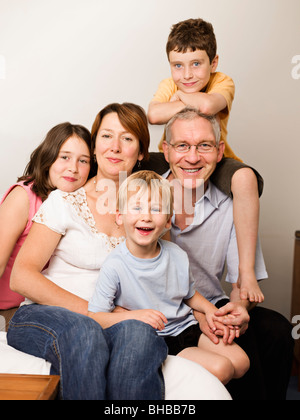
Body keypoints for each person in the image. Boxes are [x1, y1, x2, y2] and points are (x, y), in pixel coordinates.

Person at [7, 103, 168, 400]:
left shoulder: (149, 214)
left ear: (142, 152)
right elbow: (21, 278)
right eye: (107, 136)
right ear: (95, 147)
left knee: (140, 335)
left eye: (128, 138)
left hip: (114, 320)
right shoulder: (64, 201)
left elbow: (161, 275)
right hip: (45, 316)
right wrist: (97, 314)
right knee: (85, 331)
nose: (115, 147)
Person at [160, 107, 294, 399]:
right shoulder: (147, 197)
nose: (193, 157)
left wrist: (239, 312)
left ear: (220, 151)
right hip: (167, 314)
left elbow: (242, 284)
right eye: (182, 145)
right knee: (235, 349)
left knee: (275, 329)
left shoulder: (235, 203)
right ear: (165, 150)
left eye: (204, 146)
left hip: (214, 304)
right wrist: (202, 314)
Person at [88, 170, 250, 385]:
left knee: (241, 363)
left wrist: (210, 311)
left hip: (186, 326)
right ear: (120, 216)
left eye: (156, 209)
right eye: (136, 208)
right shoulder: (115, 265)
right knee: (222, 368)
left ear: (167, 221)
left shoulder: (176, 254)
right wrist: (133, 316)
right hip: (158, 339)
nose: (146, 216)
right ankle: (164, 368)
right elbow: (95, 317)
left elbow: (189, 295)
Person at [147, 18, 264, 303]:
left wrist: (177, 102)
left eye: (196, 64)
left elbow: (211, 105)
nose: (186, 75)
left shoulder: (222, 81)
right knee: (128, 164)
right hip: (171, 154)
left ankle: (246, 272)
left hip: (218, 160)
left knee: (245, 178)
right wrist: (184, 102)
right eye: (178, 65)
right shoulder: (166, 84)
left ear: (213, 63)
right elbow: (152, 115)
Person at [0, 123, 92, 326]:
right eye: (64, 157)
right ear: (49, 158)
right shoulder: (23, 197)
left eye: (83, 161)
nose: (73, 168)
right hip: (10, 309)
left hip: (47, 304)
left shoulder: (78, 203)